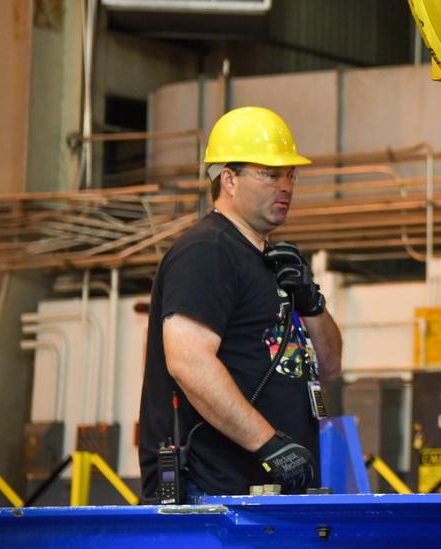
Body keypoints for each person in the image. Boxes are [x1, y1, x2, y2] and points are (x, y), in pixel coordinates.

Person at [138, 106, 343, 501]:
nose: (285, 186)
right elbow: (188, 361)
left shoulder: (272, 263)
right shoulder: (207, 251)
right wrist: (270, 446)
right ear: (228, 179)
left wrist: (312, 303)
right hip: (216, 496)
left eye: (290, 174)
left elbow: (331, 365)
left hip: (267, 494)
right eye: (270, 174)